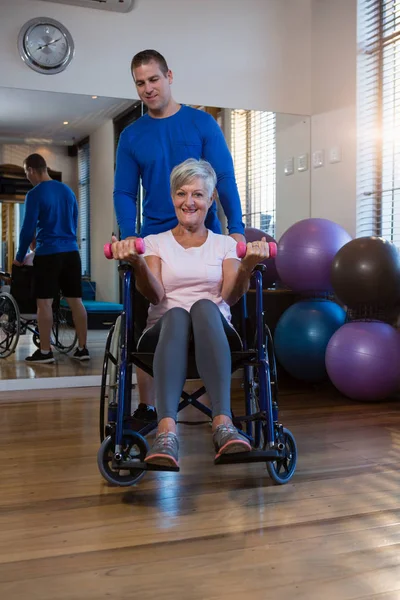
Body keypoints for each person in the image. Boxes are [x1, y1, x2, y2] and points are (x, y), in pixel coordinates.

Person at [114, 49, 246, 424]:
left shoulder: (201, 124)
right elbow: (124, 192)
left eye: (153, 80)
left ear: (169, 76)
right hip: (155, 240)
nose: (148, 89)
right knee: (147, 319)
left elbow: (224, 178)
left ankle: (221, 408)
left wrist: (235, 224)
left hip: (204, 236)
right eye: (140, 83)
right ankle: (149, 406)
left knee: (213, 309)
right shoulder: (132, 135)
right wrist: (130, 238)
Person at [110, 159, 269, 467]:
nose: (189, 202)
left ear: (210, 200)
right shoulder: (155, 243)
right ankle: (166, 433)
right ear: (173, 198)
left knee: (205, 306)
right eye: (181, 194)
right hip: (164, 335)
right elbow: (155, 295)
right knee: (178, 315)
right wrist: (137, 262)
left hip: (216, 333)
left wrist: (247, 266)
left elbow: (229, 296)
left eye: (198, 194)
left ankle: (223, 424)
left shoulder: (225, 245)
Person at [14, 153, 90, 363]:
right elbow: (73, 223)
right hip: (72, 253)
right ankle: (83, 349)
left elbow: (27, 229)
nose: (27, 177)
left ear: (30, 170)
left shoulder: (35, 194)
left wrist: (20, 257)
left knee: (44, 304)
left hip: (48, 254)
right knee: (76, 302)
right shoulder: (68, 192)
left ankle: (45, 351)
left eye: (26, 173)